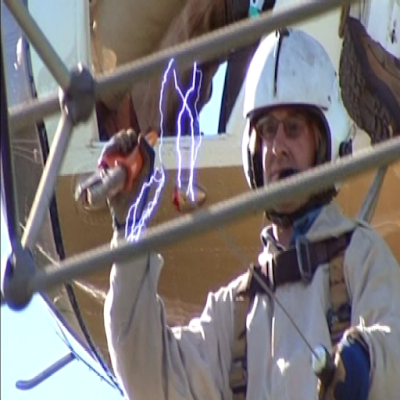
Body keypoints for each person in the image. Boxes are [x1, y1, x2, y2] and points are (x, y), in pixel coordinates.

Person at [102, 28, 400, 400]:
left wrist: (361, 363)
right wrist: (130, 230)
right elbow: (149, 378)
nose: (277, 148)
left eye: (293, 129)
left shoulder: (361, 255)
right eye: (267, 131)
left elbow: (394, 347)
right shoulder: (233, 311)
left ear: (325, 142)